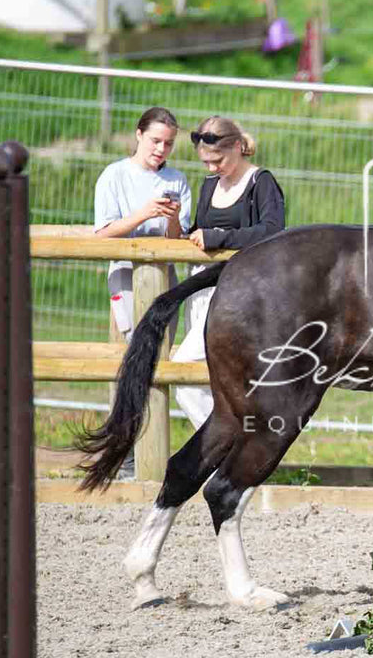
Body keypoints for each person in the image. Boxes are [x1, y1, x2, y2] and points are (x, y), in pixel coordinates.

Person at [171, 116, 286, 430]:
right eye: (206, 162)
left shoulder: (260, 182)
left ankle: (227, 449)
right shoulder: (209, 186)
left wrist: (218, 236)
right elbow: (198, 232)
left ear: (237, 146)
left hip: (237, 293)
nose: (211, 168)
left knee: (183, 372)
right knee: (207, 379)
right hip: (201, 288)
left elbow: (273, 232)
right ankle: (232, 456)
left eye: (217, 160)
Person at [94, 106, 192, 340]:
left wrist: (173, 218)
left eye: (168, 143)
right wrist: (144, 214)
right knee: (130, 344)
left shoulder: (177, 179)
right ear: (139, 135)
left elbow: (177, 239)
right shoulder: (114, 174)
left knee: (163, 346)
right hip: (125, 272)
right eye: (155, 140)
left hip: (165, 273)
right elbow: (103, 233)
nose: (161, 149)